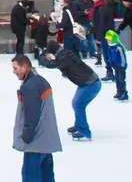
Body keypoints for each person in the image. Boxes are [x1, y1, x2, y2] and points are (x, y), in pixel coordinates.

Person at [11, 54, 61, 182]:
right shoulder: (40, 81)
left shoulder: (30, 86)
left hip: (35, 143)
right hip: (45, 141)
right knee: (47, 176)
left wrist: (26, 137)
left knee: (31, 177)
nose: (13, 71)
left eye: (16, 68)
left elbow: (31, 115)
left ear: (25, 67)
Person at [41, 39, 100, 141]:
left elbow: (50, 65)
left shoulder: (63, 58)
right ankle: (79, 125)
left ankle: (84, 131)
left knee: (78, 105)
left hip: (90, 84)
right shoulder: (65, 53)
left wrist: (43, 56)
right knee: (77, 104)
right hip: (88, 81)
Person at [91, 0, 115, 80]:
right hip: (109, 34)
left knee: (107, 54)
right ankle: (112, 71)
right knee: (110, 53)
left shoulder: (101, 9)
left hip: (105, 35)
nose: (93, 0)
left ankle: (110, 72)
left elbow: (100, 23)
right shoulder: (105, 7)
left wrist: (98, 36)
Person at [104, 30, 129, 102]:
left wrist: (122, 66)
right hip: (115, 66)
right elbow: (111, 56)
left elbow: (123, 57)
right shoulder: (111, 47)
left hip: (121, 67)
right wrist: (111, 63)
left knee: (121, 80)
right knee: (117, 80)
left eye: (109, 39)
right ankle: (119, 92)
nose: (108, 41)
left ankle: (124, 93)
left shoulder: (118, 47)